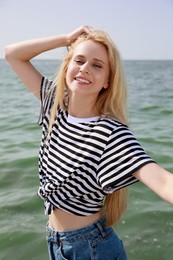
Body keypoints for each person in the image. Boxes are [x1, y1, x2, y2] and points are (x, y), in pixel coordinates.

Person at [4, 25, 173, 260]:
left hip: (92, 249)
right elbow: (12, 54)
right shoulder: (54, 104)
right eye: (79, 60)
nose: (84, 69)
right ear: (66, 68)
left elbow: (163, 181)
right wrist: (65, 39)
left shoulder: (111, 133)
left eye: (97, 65)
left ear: (107, 81)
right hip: (56, 242)